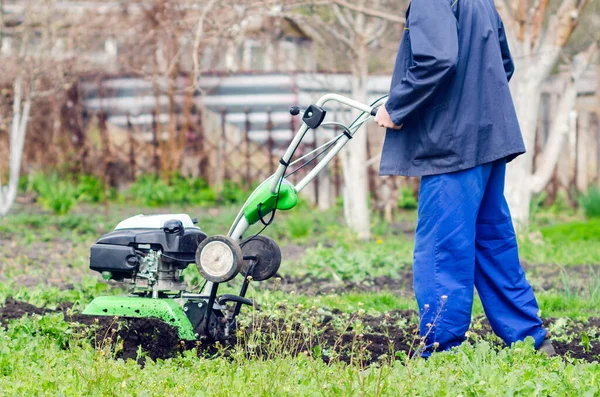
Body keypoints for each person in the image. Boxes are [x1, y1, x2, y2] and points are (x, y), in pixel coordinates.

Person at [374, 0, 555, 357]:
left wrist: (396, 108)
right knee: (492, 243)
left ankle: (440, 352)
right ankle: (531, 341)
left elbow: (437, 60)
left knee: (443, 250)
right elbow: (504, 63)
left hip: (452, 148)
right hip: (487, 139)